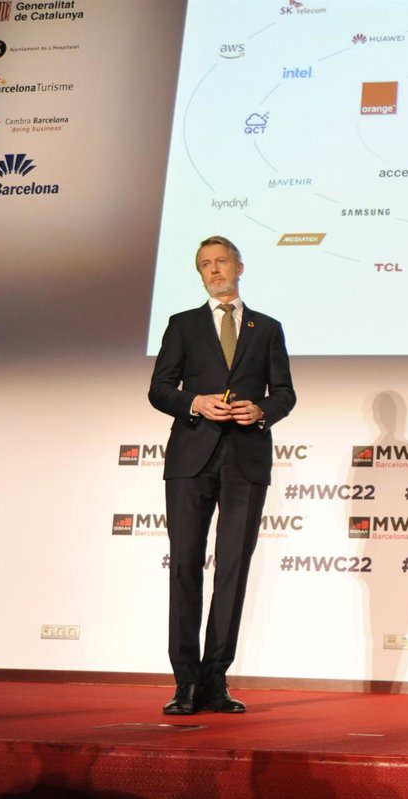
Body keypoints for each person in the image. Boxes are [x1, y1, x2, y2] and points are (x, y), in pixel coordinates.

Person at [149, 235, 296, 715]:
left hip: (246, 460)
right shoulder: (182, 324)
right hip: (191, 459)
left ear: (239, 267)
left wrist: (261, 410)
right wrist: (194, 401)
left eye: (221, 261)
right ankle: (185, 683)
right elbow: (159, 389)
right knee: (185, 566)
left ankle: (216, 679)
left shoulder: (267, 328)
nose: (214, 270)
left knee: (233, 569)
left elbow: (285, 393)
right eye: (205, 264)